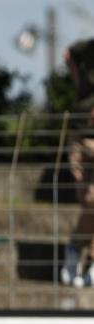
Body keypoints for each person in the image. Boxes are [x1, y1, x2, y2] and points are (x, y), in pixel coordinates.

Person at [62, 38, 94, 287]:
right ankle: (78, 251)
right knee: (88, 201)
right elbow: (68, 54)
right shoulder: (86, 48)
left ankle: (83, 254)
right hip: (82, 133)